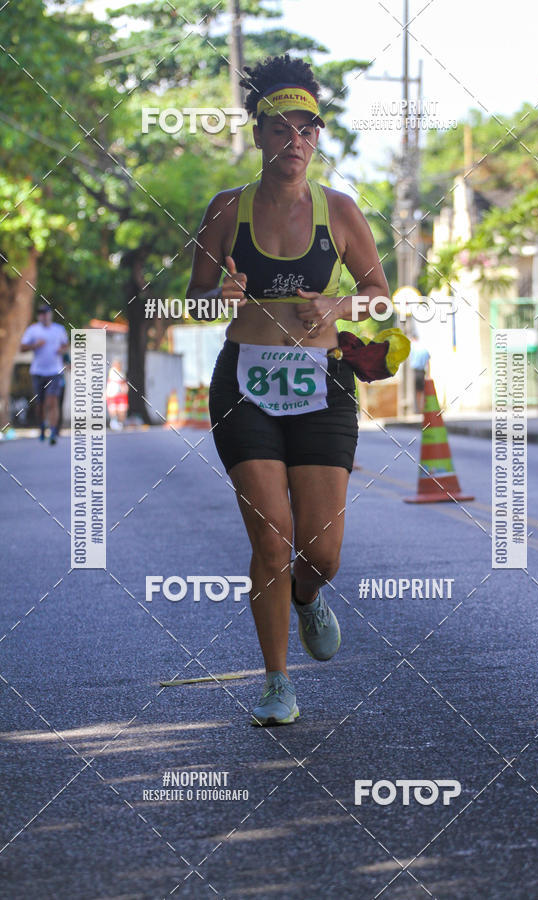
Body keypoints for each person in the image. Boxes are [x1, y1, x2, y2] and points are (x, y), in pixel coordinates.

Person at [186, 54, 390, 726]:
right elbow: (195, 303)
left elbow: (378, 296)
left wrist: (335, 311)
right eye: (280, 129)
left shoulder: (341, 211)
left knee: (321, 552)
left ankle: (308, 596)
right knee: (272, 537)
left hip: (322, 386)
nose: (294, 142)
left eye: (307, 129)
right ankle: (276, 682)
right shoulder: (225, 211)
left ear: (318, 138)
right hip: (245, 383)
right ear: (258, 136)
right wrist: (221, 295)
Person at [20, 304, 69, 445]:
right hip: (38, 372)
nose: (44, 316)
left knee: (52, 401)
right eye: (41, 313)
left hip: (55, 371)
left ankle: (53, 430)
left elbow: (65, 346)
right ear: (38, 316)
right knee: (40, 404)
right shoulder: (32, 330)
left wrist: (63, 352)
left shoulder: (59, 330)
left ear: (50, 314)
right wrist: (35, 345)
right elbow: (22, 348)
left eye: (46, 313)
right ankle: (42, 427)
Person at [409, 336, 430, 414]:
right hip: (422, 371)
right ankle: (423, 408)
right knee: (422, 391)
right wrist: (428, 374)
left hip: (415, 371)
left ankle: (419, 409)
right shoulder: (423, 348)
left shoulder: (413, 347)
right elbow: (428, 361)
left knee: (417, 391)